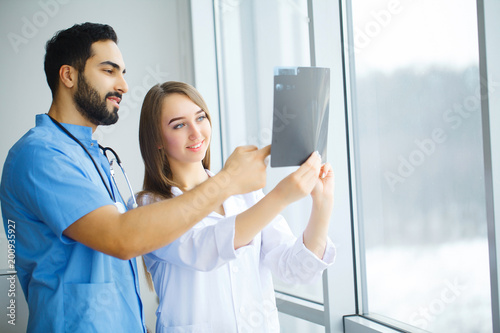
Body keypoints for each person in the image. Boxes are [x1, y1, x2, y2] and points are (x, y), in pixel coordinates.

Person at [0, 23, 270, 333]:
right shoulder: (40, 156)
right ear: (68, 76)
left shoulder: (93, 155)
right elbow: (122, 238)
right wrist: (227, 180)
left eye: (123, 73)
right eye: (109, 71)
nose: (124, 86)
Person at [135, 81, 336, 333]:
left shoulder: (246, 195)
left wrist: (322, 203)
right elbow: (206, 248)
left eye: (200, 118)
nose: (196, 133)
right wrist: (280, 196)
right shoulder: (148, 206)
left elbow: (295, 270)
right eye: (179, 125)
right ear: (157, 140)